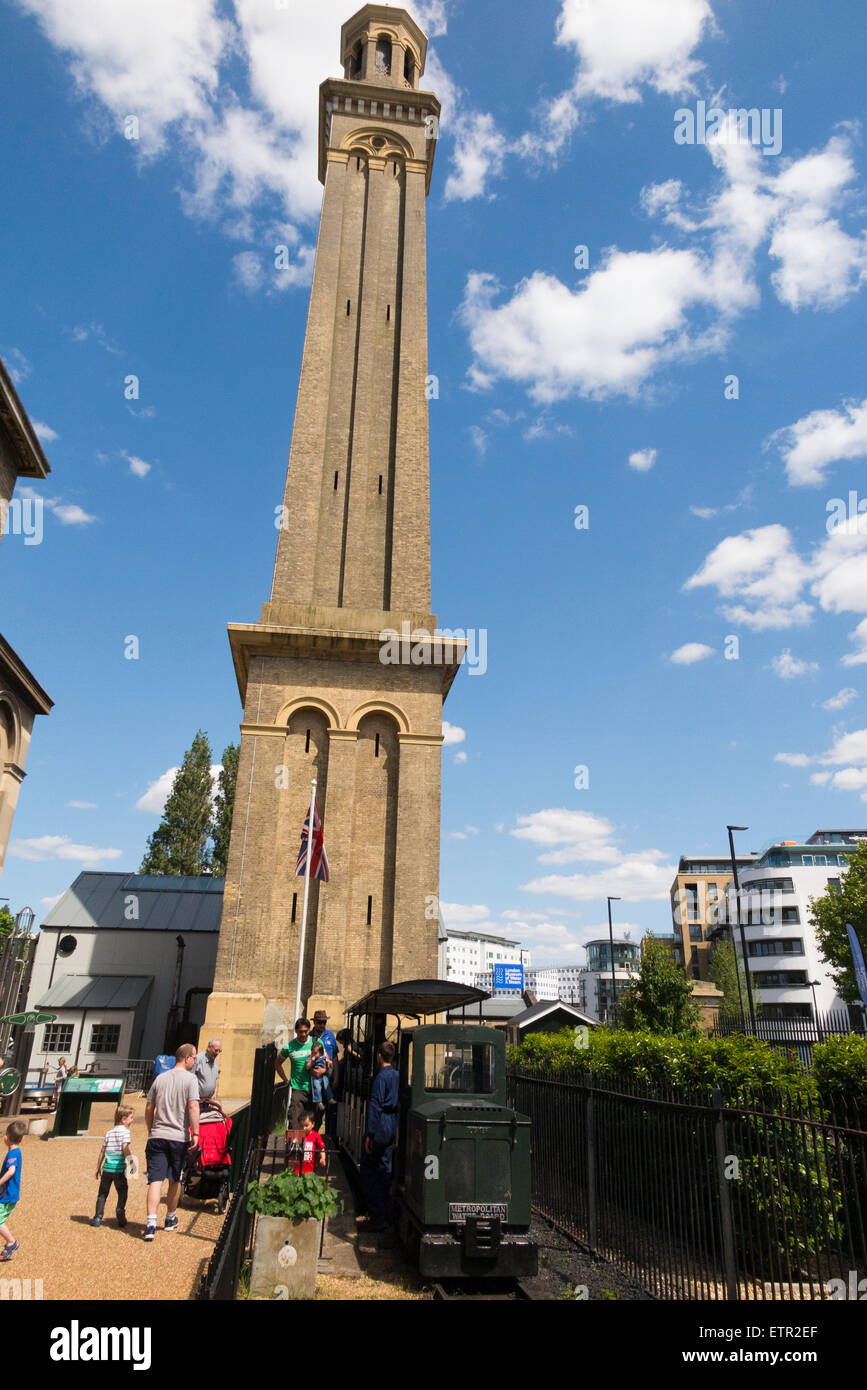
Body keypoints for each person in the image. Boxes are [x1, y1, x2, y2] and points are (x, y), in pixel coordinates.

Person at [143, 1043, 199, 1241]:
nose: (195, 1060)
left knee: (155, 1180)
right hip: (177, 1137)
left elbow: (149, 1108)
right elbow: (193, 1106)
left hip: (157, 1135)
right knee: (175, 1180)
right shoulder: (191, 1079)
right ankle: (170, 1218)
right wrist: (196, 1133)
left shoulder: (160, 1078)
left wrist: (151, 1130)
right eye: (194, 1057)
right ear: (187, 1059)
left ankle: (150, 1223)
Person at [357, 1042, 399, 1233]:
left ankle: (376, 1214)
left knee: (368, 1168)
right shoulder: (398, 1075)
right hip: (392, 1122)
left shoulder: (380, 1077)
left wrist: (370, 1134)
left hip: (381, 1122)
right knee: (385, 1168)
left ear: (379, 1056)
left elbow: (375, 1105)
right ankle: (387, 1211)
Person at [92, 1105, 135, 1228]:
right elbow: (125, 1148)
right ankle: (120, 1210)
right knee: (122, 1191)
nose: (132, 1120)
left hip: (107, 1168)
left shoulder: (109, 1133)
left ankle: (97, 1217)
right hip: (119, 1168)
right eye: (131, 1118)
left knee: (102, 1193)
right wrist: (132, 1163)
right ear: (124, 1119)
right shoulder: (125, 1132)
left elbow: (102, 1151)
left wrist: (98, 1167)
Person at [275, 1018, 313, 1133]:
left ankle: (310, 1147)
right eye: (301, 1031)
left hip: (314, 1088)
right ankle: (295, 1146)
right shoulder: (289, 1047)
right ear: (296, 1031)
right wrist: (286, 1080)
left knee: (312, 1122)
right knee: (295, 1121)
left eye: (306, 1031)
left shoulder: (316, 1043)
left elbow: (325, 1060)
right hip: (298, 1089)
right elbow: (277, 1064)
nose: (304, 1034)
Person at [0, 1120, 26, 1260]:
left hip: (7, 1194)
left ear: (6, 1138)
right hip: (8, 1193)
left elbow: (11, 1171)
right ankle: (10, 1242)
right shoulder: (17, 1151)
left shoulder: (12, 1154)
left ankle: (11, 1242)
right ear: (22, 1139)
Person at [307, 1040, 332, 1130]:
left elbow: (329, 1062)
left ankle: (330, 1098)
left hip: (323, 1076)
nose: (314, 1055)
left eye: (316, 1053)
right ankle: (318, 1101)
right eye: (312, 1053)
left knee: (327, 1086)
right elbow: (307, 1067)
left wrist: (328, 1065)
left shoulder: (323, 1057)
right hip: (315, 1077)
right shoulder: (310, 1058)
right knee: (317, 1087)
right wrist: (312, 1062)